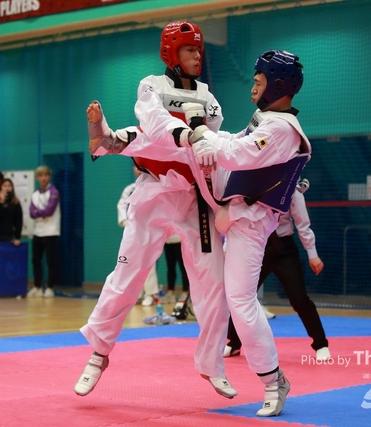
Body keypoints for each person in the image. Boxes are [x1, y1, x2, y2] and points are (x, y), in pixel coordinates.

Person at [92, 49, 310, 417]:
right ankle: (112, 141)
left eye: (259, 81)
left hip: (251, 223)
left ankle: (274, 381)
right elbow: (232, 141)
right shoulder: (266, 119)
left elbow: (238, 153)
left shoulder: (281, 129)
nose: (253, 86)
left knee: (239, 301)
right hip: (229, 209)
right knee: (177, 146)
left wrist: (202, 135)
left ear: (277, 86)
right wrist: (198, 136)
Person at [76, 22, 234, 401]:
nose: (197, 56)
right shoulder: (152, 86)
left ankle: (213, 364)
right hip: (154, 191)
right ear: (171, 53)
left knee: (214, 284)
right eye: (189, 50)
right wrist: (187, 133)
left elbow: (208, 140)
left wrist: (199, 140)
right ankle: (98, 354)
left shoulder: (209, 98)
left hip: (194, 197)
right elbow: (155, 123)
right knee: (127, 275)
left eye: (198, 50)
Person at [224, 181, 331, 362]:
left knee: (299, 299)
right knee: (242, 297)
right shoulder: (249, 184)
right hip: (254, 246)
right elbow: (237, 220)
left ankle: (321, 345)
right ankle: (234, 343)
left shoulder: (292, 189)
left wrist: (312, 254)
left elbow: (303, 225)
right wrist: (228, 248)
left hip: (284, 249)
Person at [117, 165, 159, 307]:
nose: (138, 169)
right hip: (132, 231)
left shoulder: (154, 186)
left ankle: (151, 294)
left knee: (148, 262)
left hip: (149, 230)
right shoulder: (130, 189)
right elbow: (121, 206)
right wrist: (125, 221)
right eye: (135, 167)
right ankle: (136, 294)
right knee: (131, 263)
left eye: (140, 167)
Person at [27, 165, 60, 298]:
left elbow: (49, 211)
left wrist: (38, 212)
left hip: (50, 231)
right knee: (36, 260)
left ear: (49, 177)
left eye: (45, 175)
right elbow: (31, 212)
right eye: (40, 176)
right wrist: (40, 213)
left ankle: (50, 287)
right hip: (37, 231)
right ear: (37, 178)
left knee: (50, 261)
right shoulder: (35, 194)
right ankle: (37, 287)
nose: (43, 178)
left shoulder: (54, 192)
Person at [0, 178, 23, 245]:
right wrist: (1, 202)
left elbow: (19, 221)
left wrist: (17, 237)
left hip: (8, 235)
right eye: (4, 186)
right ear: (1, 187)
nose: (7, 188)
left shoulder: (15, 203)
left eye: (9, 186)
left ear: (12, 188)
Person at [162, 234, 189, 303]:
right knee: (170, 267)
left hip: (179, 240)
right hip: (168, 241)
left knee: (183, 267)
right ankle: (170, 293)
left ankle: (185, 293)